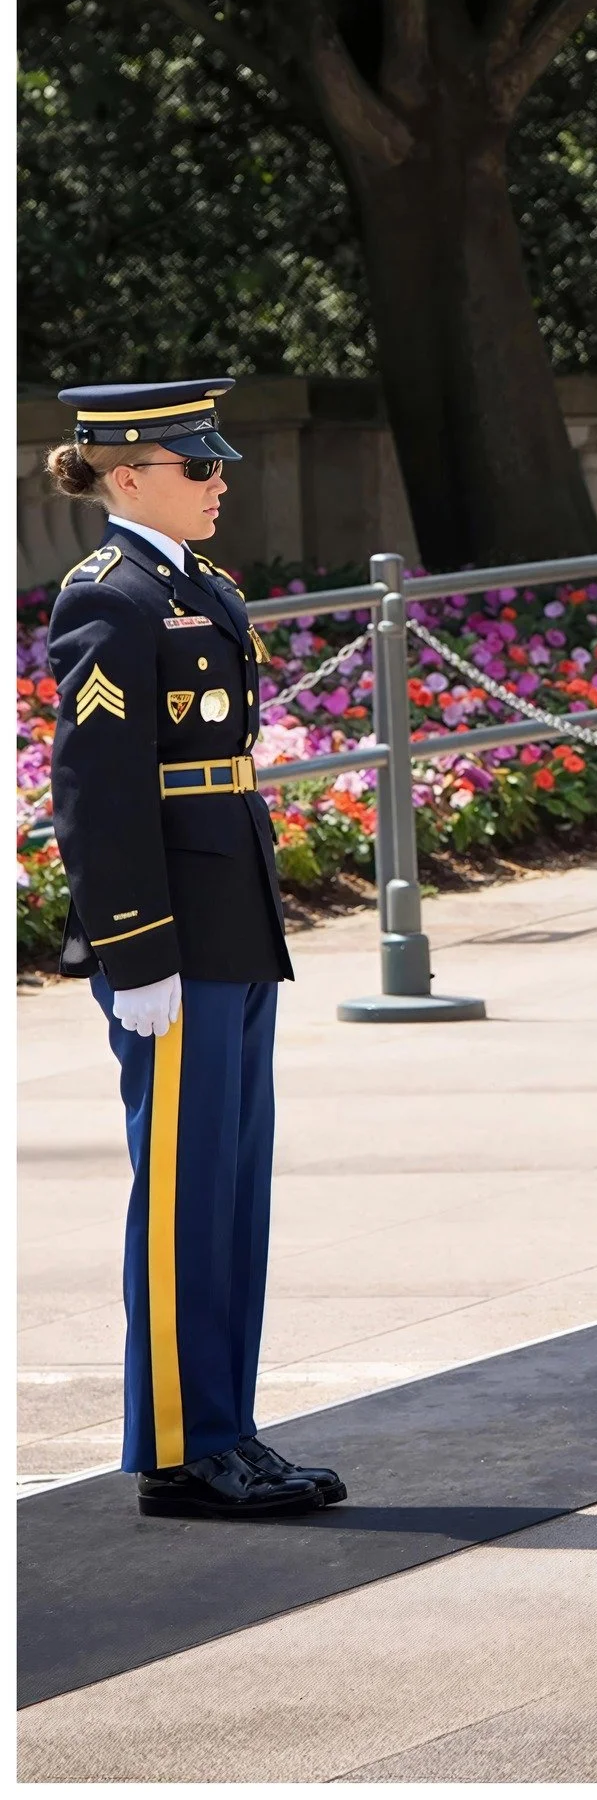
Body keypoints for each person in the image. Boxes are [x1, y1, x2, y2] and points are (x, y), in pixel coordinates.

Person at [45, 380, 345, 1518]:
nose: (222, 480)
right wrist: (135, 950)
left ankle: (228, 1421)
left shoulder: (196, 587)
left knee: (229, 1188)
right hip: (173, 934)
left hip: (234, 923)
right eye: (198, 466)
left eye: (219, 463)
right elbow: (98, 793)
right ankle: (180, 1444)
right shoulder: (113, 600)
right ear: (129, 477)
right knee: (180, 1192)